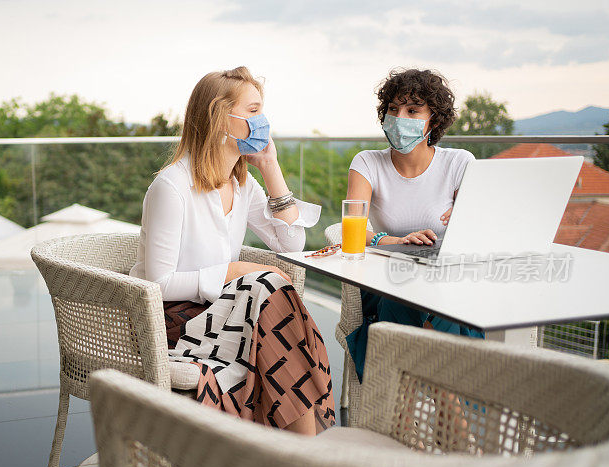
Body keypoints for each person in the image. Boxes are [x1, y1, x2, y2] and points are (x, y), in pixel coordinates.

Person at [130, 67, 334, 434]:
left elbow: (291, 245)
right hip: (174, 320)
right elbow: (156, 283)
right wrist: (232, 272)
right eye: (253, 111)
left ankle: (299, 454)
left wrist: (271, 168)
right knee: (269, 288)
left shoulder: (242, 182)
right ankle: (307, 450)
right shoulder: (172, 187)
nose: (263, 121)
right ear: (219, 116)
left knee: (270, 290)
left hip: (229, 310)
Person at [345, 68, 484, 381]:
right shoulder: (367, 162)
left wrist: (467, 221)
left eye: (412, 110)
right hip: (385, 280)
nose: (399, 117)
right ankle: (455, 422)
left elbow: (476, 233)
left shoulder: (459, 163)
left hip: (445, 280)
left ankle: (400, 418)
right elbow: (352, 230)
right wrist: (396, 241)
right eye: (392, 109)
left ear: (433, 120)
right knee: (414, 302)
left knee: (435, 304)